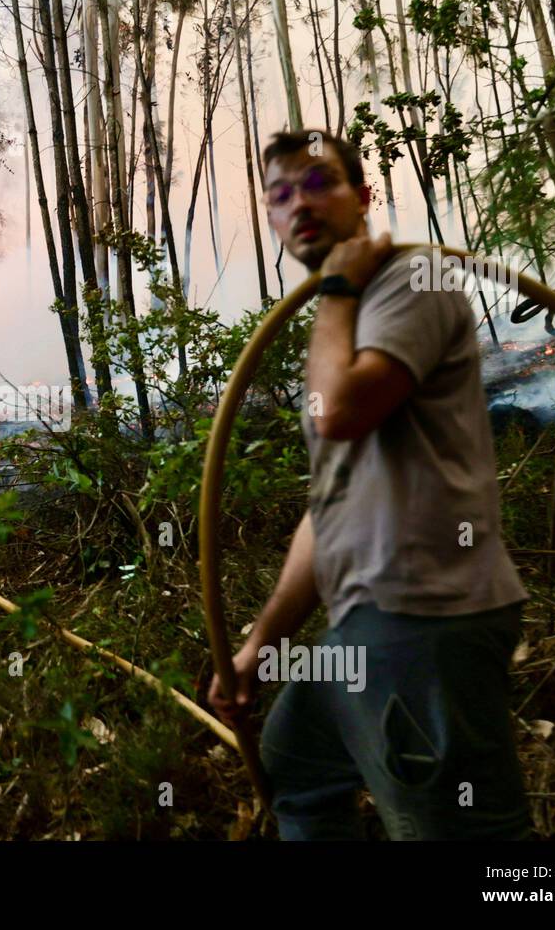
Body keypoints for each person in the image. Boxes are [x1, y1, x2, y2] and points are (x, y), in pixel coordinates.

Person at [208, 129, 533, 840]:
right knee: (297, 760)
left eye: (319, 183)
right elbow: (333, 508)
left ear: (364, 196)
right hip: (369, 626)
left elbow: (342, 413)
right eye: (280, 194)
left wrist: (334, 290)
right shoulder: (349, 311)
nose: (299, 204)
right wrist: (259, 647)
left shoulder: (408, 283)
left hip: (422, 621)